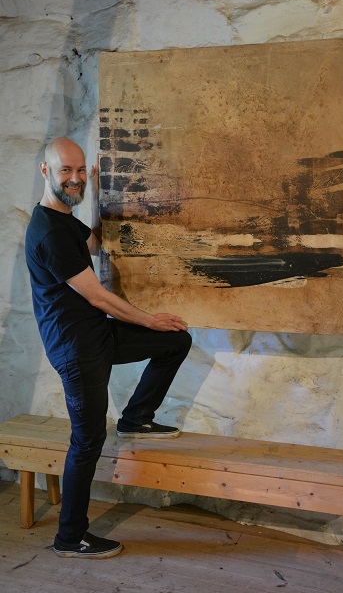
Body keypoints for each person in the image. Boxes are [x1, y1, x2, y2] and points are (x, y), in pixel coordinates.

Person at [25, 137, 192, 560]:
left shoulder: (63, 219)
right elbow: (98, 296)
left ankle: (135, 418)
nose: (75, 178)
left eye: (81, 170)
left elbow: (95, 243)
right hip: (76, 350)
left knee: (176, 341)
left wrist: (101, 194)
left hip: (96, 335)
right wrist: (149, 319)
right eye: (66, 170)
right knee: (87, 441)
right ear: (45, 171)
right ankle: (69, 537)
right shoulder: (48, 230)